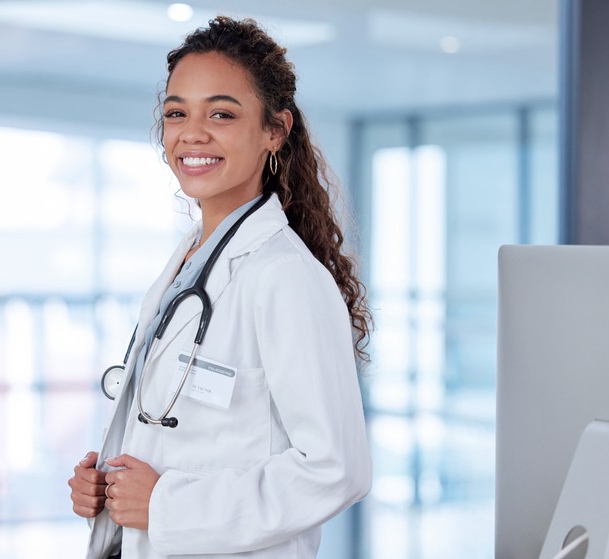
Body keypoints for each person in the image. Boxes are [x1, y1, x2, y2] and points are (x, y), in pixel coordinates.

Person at [69, 15, 372, 559]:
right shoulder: (187, 261)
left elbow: (336, 470)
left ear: (274, 131)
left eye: (222, 114)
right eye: (177, 113)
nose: (193, 133)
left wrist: (165, 504)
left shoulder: (285, 277)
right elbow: (185, 428)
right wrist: (109, 486)